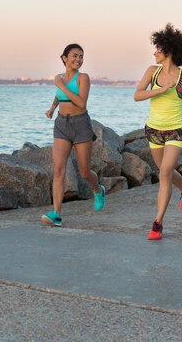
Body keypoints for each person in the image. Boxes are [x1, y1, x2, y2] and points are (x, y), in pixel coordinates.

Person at [134, 24, 182, 240]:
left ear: (168, 51)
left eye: (157, 48)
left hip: (176, 130)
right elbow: (137, 95)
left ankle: (157, 224)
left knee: (164, 173)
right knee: (165, 171)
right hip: (154, 130)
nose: (154, 52)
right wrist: (158, 90)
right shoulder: (152, 71)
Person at [41, 44, 105, 227]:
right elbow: (58, 95)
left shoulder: (83, 78)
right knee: (59, 170)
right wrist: (52, 108)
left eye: (81, 57)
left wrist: (61, 85)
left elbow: (81, 103)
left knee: (84, 171)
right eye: (74, 56)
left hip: (81, 125)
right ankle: (57, 214)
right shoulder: (59, 78)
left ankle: (98, 189)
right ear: (64, 58)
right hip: (61, 124)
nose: (78, 59)